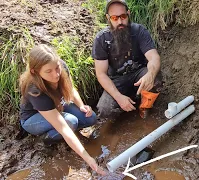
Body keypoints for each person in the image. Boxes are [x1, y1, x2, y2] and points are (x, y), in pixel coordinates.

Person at [19, 44, 106, 175]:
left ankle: (68, 137)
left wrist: (81, 105)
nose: (56, 74)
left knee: (90, 117)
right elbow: (64, 128)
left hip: (57, 106)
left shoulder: (60, 66)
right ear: (34, 72)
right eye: (48, 71)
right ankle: (46, 138)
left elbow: (70, 88)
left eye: (57, 68)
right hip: (33, 119)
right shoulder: (35, 91)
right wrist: (89, 159)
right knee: (70, 123)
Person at [92, 0, 162, 120]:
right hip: (117, 81)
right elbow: (101, 73)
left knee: (155, 78)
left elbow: (154, 57)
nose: (120, 22)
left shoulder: (139, 31)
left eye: (123, 16)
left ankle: (145, 107)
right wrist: (118, 97)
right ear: (108, 18)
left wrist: (150, 74)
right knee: (105, 110)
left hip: (139, 74)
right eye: (115, 18)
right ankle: (123, 114)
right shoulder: (101, 39)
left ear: (128, 14)